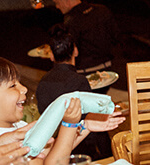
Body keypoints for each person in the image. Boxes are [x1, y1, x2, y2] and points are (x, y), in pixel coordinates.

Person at [0, 57, 122, 162]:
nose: (23, 89)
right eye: (12, 85)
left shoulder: (15, 128)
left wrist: (84, 126)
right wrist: (69, 126)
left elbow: (50, 152)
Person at [35, 25, 111, 159]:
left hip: (49, 147)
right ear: (75, 51)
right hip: (77, 148)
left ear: (51, 56)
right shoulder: (79, 81)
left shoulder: (43, 81)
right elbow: (89, 123)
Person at [48, 0, 120, 75]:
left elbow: (70, 52)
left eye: (57, 3)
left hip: (86, 73)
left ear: (66, 1)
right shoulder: (102, 10)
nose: (57, 6)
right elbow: (116, 37)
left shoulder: (71, 20)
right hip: (108, 71)